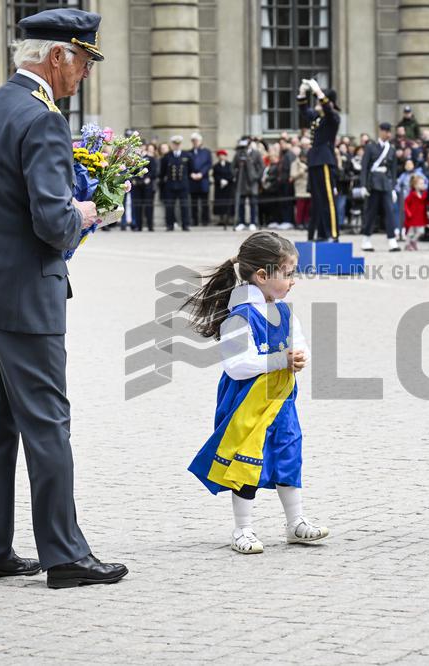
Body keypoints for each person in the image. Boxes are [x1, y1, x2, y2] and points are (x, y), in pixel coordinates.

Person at [0, 7, 126, 588]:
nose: (84, 74)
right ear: (56, 57)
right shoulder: (42, 119)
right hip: (26, 292)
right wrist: (87, 211)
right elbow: (52, 222)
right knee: (48, 421)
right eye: (83, 60)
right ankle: (66, 555)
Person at [185, 231, 328, 554]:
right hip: (246, 401)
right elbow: (237, 366)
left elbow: (298, 341)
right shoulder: (239, 317)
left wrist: (298, 355)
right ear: (262, 276)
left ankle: (295, 521)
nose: (293, 281)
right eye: (288, 273)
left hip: (281, 399)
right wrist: (281, 359)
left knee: (289, 453)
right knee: (247, 459)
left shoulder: (285, 312)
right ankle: (243, 529)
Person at [297, 78, 341, 241]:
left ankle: (334, 234)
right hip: (315, 160)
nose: (316, 102)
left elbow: (328, 110)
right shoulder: (317, 117)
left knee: (328, 199)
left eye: (319, 100)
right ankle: (322, 233)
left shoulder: (333, 118)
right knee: (317, 199)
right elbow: (304, 111)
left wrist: (318, 92)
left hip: (324, 160)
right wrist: (302, 92)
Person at [357, 122, 400, 252]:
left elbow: (393, 171)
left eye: (389, 131)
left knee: (390, 212)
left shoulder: (391, 149)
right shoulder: (370, 147)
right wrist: (363, 185)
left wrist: (393, 188)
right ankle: (366, 239)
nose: (388, 134)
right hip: (373, 183)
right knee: (371, 212)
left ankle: (392, 240)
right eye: (386, 131)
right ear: (381, 131)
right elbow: (364, 168)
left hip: (386, 183)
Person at [160, 135, 192, 231]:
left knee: (184, 206)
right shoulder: (167, 156)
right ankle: (170, 225)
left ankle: (185, 225)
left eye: (178, 144)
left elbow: (191, 169)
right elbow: (162, 172)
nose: (176, 146)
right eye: (174, 144)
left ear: (180, 144)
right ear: (172, 144)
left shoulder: (186, 155)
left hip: (183, 185)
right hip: (170, 185)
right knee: (169, 206)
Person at [233, 137, 264, 231]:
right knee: (241, 203)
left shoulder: (256, 153)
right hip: (241, 181)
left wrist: (257, 177)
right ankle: (241, 222)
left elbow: (261, 166)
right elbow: (233, 166)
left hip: (252, 182)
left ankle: (253, 222)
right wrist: (236, 175)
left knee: (253, 203)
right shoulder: (239, 154)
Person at [131, 142, 158, 231]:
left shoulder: (150, 159)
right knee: (137, 206)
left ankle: (150, 226)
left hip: (147, 185)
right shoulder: (134, 159)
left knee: (148, 206)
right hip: (137, 185)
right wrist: (133, 179)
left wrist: (148, 178)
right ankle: (139, 226)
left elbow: (153, 171)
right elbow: (131, 171)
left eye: (142, 147)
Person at [189, 132, 213, 227]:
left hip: (203, 180)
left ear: (201, 141)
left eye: (197, 140)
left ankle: (205, 221)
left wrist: (201, 174)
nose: (195, 142)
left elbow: (208, 164)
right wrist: (191, 174)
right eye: (193, 141)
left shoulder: (206, 152)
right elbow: (188, 166)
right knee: (193, 202)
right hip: (192, 180)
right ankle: (194, 220)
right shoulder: (189, 153)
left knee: (204, 202)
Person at [402, 173, 428, 251]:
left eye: (423, 183)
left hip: (421, 216)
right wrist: (408, 212)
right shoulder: (411, 195)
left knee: (421, 231)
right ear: (415, 185)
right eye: (421, 183)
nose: (423, 185)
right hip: (413, 216)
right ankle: (407, 244)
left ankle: (413, 241)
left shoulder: (424, 194)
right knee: (411, 232)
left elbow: (426, 202)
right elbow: (406, 204)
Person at [212, 148, 234, 227]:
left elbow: (232, 174)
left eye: (223, 155)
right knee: (220, 203)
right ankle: (221, 219)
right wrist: (220, 180)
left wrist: (227, 180)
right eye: (220, 155)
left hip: (228, 187)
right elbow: (215, 175)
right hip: (220, 187)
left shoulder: (230, 165)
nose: (221, 157)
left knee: (229, 203)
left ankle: (229, 219)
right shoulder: (216, 166)